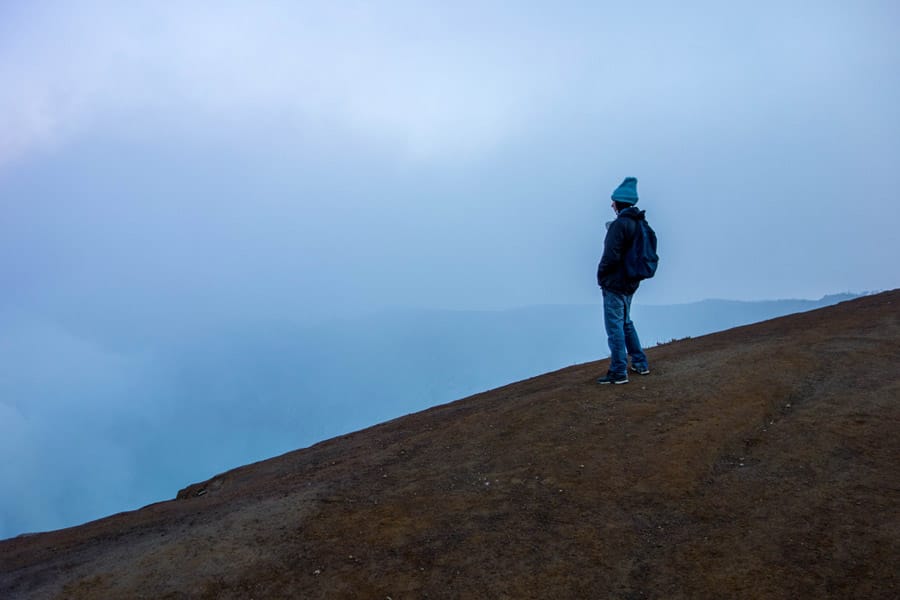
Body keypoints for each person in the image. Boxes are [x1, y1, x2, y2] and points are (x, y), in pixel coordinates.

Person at [596, 176, 650, 384]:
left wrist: (602, 276)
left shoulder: (620, 225)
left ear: (620, 202)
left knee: (615, 327)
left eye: (613, 200)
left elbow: (610, 256)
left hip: (615, 283)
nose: (611, 204)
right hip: (630, 282)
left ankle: (619, 372)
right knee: (626, 323)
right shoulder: (639, 223)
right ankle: (640, 362)